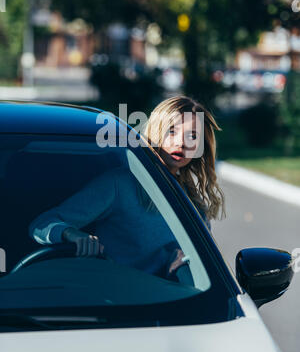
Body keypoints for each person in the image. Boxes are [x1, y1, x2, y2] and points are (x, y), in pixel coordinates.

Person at [29, 95, 225, 278]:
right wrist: (71, 234)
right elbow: (41, 224)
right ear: (156, 131)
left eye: (192, 136)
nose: (181, 143)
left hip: (173, 303)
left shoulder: (194, 205)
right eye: (172, 131)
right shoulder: (120, 184)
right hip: (115, 301)